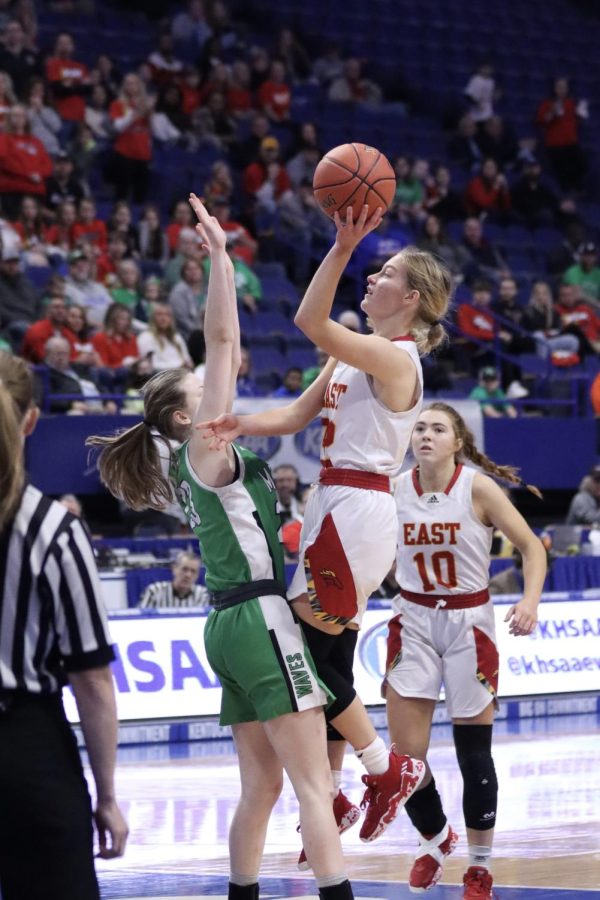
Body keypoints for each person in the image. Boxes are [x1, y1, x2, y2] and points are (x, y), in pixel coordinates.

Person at [87, 196, 357, 900]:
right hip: (260, 619)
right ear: (186, 415)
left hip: (226, 624)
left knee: (261, 788)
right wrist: (219, 257)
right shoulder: (203, 449)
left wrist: (342, 358)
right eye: (203, 391)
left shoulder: (205, 457)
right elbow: (224, 342)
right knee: (312, 784)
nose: (218, 388)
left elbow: (295, 411)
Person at [200, 205, 452, 855]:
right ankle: (335, 788)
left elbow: (307, 320)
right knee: (329, 655)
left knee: (300, 654)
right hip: (334, 504)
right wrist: (235, 426)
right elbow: (291, 418)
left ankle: (382, 768)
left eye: (384, 273)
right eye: (370, 268)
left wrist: (341, 246)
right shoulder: (353, 356)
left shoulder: (396, 359)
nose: (371, 279)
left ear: (412, 298)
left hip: (357, 510)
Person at [386, 401, 545, 898]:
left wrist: (530, 600)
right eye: (419, 428)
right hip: (412, 616)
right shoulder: (392, 489)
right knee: (404, 759)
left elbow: (532, 546)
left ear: (458, 442)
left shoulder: (477, 487)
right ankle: (433, 840)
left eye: (437, 428)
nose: (426, 435)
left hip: (467, 622)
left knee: (473, 753)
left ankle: (480, 866)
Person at [0, 351, 128, 900]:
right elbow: (92, 680)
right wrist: (106, 796)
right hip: (24, 753)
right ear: (32, 420)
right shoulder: (53, 529)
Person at [138, 550, 210, 609]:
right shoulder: (154, 591)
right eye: (184, 569)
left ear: (197, 575)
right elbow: (141, 620)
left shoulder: (202, 595)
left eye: (193, 571)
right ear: (174, 569)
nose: (188, 575)